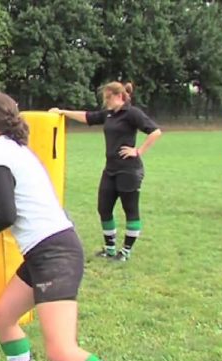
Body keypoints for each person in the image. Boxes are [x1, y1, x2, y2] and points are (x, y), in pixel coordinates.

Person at [0, 90, 157, 361]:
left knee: (61, 349)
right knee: (3, 314)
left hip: (53, 252)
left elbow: (8, 214)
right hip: (46, 248)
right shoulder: (15, 149)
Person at [49, 82, 162, 261]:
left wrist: (138, 151)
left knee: (130, 210)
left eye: (108, 98)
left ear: (119, 96)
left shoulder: (132, 113)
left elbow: (155, 132)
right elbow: (87, 116)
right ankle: (109, 249)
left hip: (129, 170)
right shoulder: (109, 114)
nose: (105, 102)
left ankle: (125, 252)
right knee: (104, 208)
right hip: (110, 170)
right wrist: (63, 112)